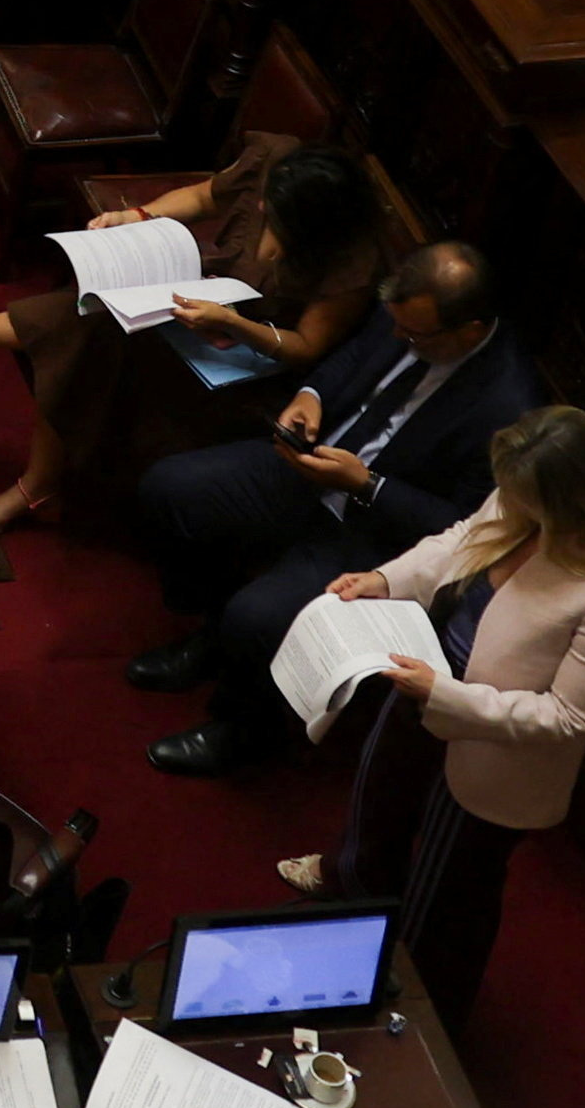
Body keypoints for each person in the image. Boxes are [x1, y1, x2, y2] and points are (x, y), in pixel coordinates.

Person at [298, 404, 585, 1010]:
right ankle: (352, 904)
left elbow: (568, 718)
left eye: (522, 496)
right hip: (425, 679)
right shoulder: (520, 499)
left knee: (450, 893)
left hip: (492, 752)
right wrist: (383, 580)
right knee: (379, 803)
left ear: (573, 500)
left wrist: (445, 697)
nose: (507, 502)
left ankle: (420, 1007)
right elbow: (456, 545)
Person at [128, 241, 540, 777]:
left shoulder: (510, 407)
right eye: (395, 325)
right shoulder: (406, 314)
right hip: (306, 468)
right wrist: (311, 395)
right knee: (170, 488)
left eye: (415, 336)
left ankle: (244, 731)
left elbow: (465, 530)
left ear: (469, 331)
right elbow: (348, 358)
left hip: (375, 530)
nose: (399, 339)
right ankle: (211, 636)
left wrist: (367, 485)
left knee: (259, 616)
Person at [0, 134, 384, 520]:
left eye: (272, 214)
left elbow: (303, 348)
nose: (259, 209)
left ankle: (27, 472)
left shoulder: (350, 267)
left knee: (92, 335)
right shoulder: (277, 162)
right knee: (94, 317)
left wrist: (232, 323)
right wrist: (137, 216)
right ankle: (34, 482)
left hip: (243, 364)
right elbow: (200, 197)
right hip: (202, 303)